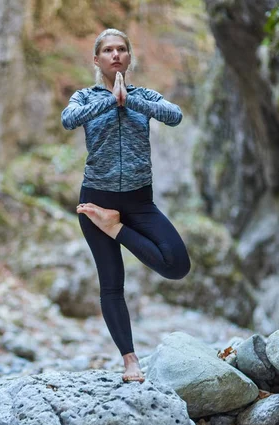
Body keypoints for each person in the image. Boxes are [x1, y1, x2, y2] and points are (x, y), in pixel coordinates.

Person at [61, 28, 191, 383]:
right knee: (112, 285)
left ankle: (113, 225)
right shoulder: (84, 97)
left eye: (121, 49)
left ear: (129, 57)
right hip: (95, 199)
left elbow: (174, 115)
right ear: (96, 59)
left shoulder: (143, 96)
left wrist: (128, 100)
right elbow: (68, 119)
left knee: (176, 265)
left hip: (138, 202)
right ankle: (130, 360)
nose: (115, 55)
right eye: (107, 50)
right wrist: (111, 100)